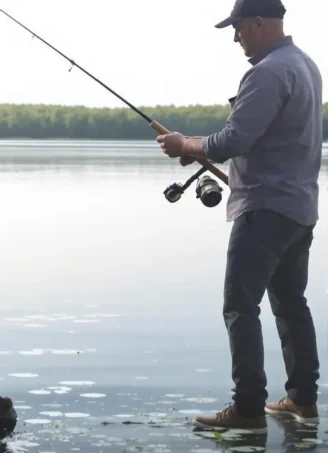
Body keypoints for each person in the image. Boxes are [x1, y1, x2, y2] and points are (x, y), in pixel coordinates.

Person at [156, 0, 323, 433]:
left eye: (238, 28)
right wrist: (192, 143)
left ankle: (248, 409)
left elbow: (233, 139)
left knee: (239, 306)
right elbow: (254, 139)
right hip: (299, 209)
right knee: (291, 306)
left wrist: (185, 146)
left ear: (259, 22)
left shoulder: (266, 72)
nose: (235, 37)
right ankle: (303, 401)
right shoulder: (305, 65)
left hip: (265, 211)